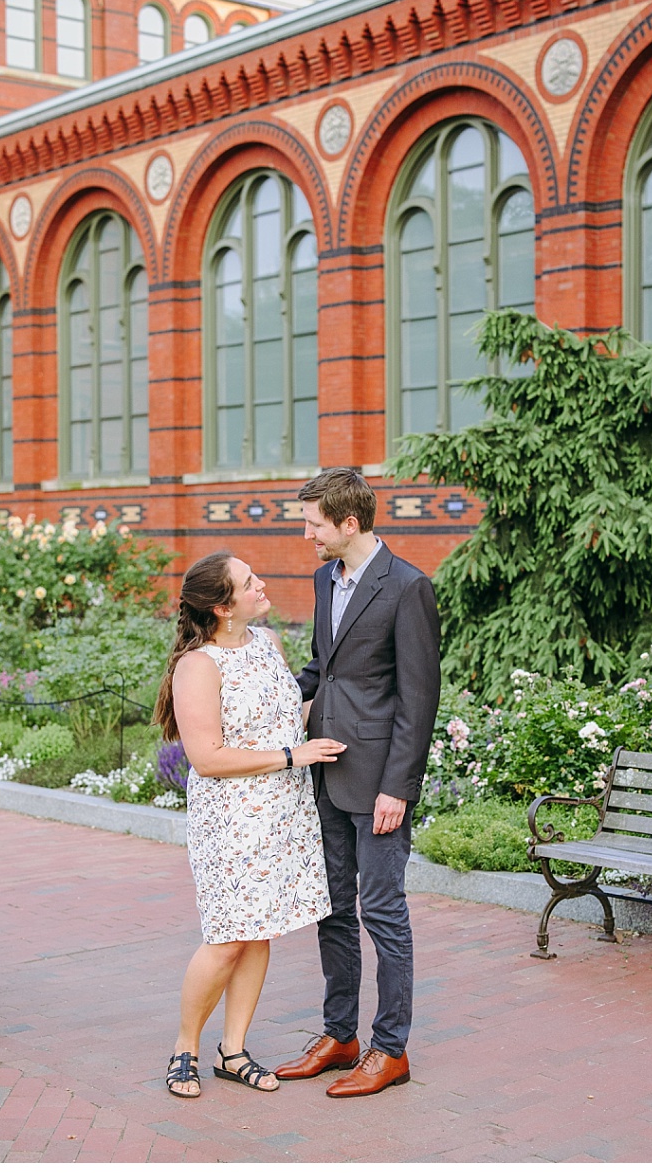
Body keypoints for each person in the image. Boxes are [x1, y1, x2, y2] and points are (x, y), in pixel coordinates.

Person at [274, 468, 442, 1097]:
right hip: (328, 774)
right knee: (334, 912)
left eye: (314, 523)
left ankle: (390, 1050)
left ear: (349, 523)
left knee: (383, 914)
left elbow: (418, 700)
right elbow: (325, 667)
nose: (307, 534)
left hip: (379, 787)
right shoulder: (325, 579)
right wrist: (271, 709)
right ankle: (340, 1036)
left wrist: (397, 788)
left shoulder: (407, 588)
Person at [154, 551, 343, 1098]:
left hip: (283, 814)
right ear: (221, 606)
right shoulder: (199, 665)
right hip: (231, 823)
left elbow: (286, 714)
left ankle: (232, 1050)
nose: (262, 584)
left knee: (259, 932)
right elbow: (208, 757)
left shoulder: (267, 644)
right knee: (226, 938)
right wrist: (293, 755)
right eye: (249, 582)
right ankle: (184, 1048)